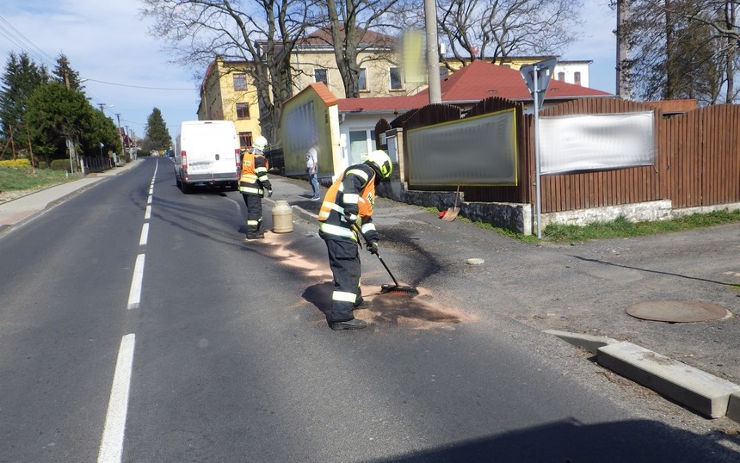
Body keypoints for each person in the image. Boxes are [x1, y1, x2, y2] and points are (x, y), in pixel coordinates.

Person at [317, 150, 393, 330]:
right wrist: (350, 208)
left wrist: (372, 240)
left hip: (344, 230)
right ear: (381, 169)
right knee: (347, 271)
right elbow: (351, 181)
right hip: (337, 227)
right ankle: (341, 317)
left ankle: (355, 300)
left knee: (353, 267)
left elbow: (365, 218)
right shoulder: (365, 170)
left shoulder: (369, 188)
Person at [239, 135, 272, 240]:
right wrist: (269, 187)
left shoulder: (246, 155)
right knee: (254, 211)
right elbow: (261, 175)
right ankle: (252, 232)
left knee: (255, 210)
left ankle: (258, 230)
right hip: (253, 188)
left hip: (244, 187)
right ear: (262, 146)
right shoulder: (259, 158)